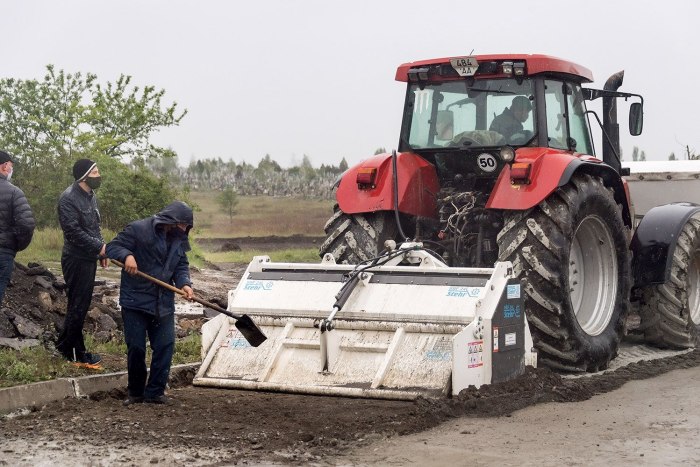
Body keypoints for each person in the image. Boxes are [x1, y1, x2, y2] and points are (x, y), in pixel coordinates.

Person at [106, 201, 195, 406]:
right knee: (136, 348)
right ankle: (136, 393)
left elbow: (181, 264)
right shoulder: (138, 229)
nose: (184, 229)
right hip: (135, 300)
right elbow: (113, 247)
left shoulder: (179, 239)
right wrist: (127, 255)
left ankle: (155, 392)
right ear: (172, 220)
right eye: (183, 225)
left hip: (163, 302)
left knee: (165, 346)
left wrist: (185, 284)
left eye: (187, 227)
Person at [56, 159, 107, 367]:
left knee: (80, 303)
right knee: (78, 304)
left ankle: (63, 345)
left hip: (89, 258)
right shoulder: (68, 199)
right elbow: (73, 232)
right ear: (84, 176)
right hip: (75, 259)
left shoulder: (90, 196)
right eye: (95, 171)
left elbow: (95, 227)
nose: (98, 175)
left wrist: (101, 250)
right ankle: (76, 353)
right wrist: (99, 248)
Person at [0, 150, 35, 307]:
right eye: (11, 166)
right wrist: (16, 245)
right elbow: (26, 225)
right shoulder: (14, 192)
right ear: (5, 166)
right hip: (3, 253)